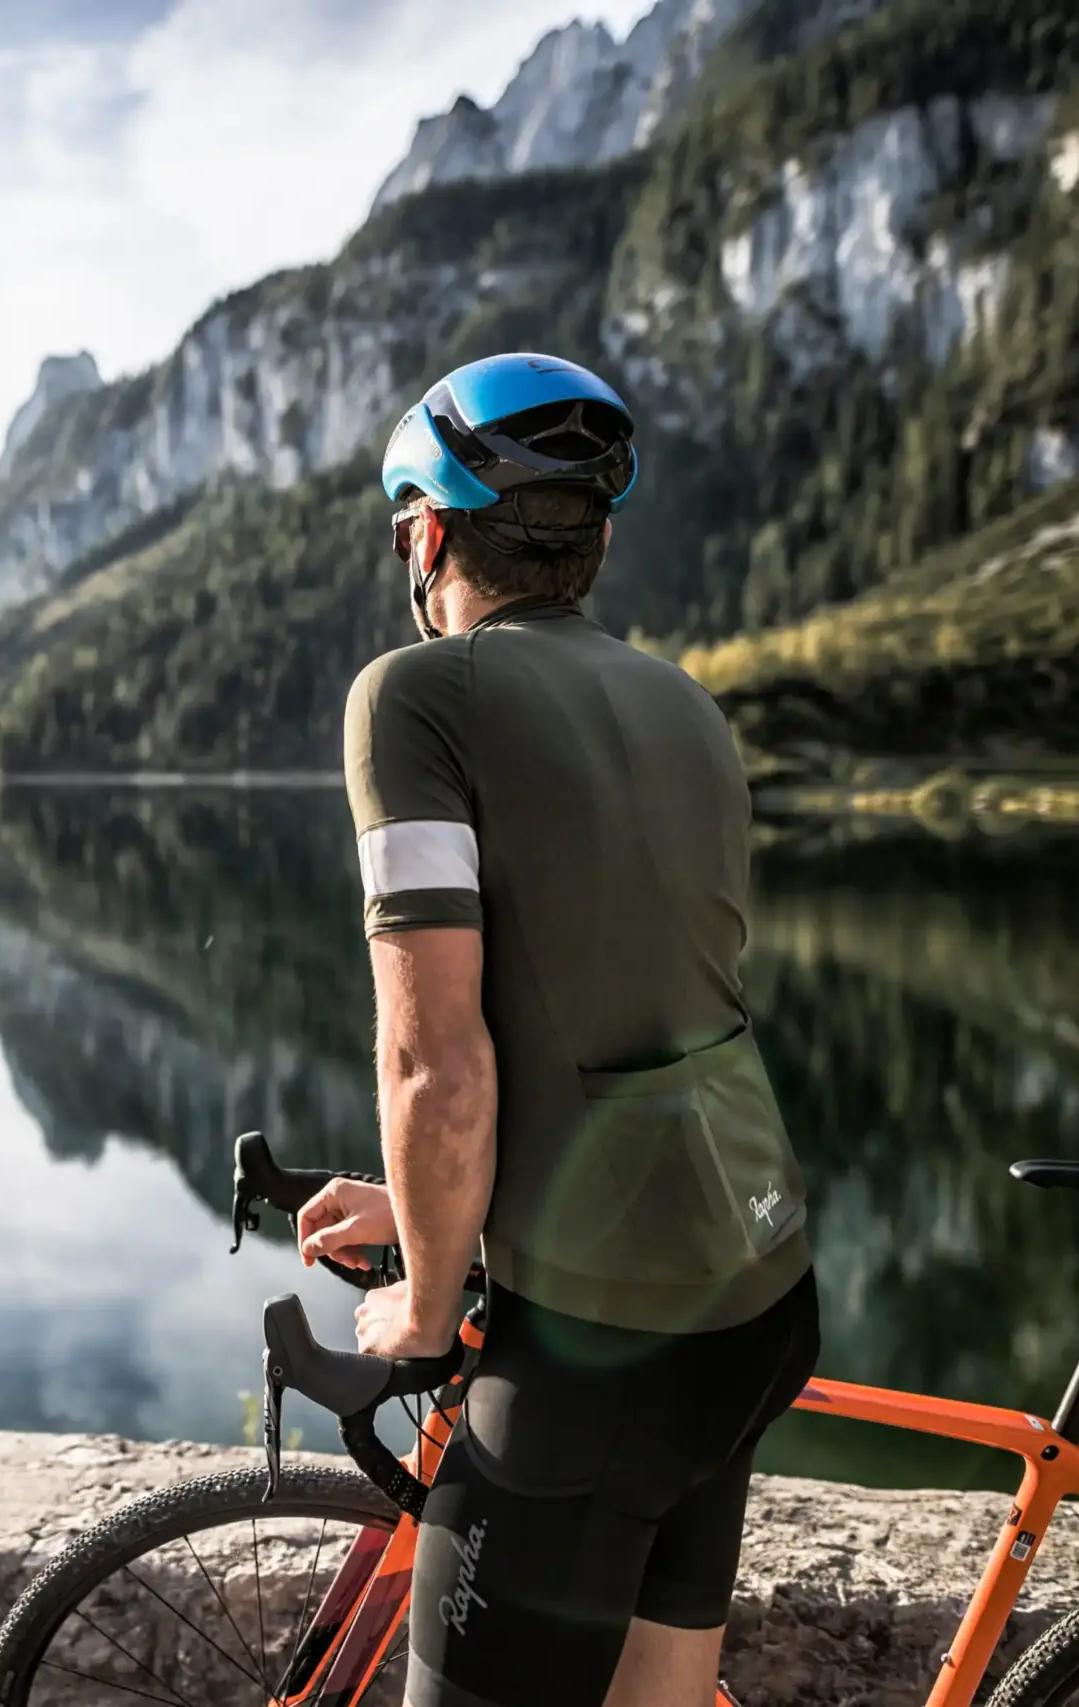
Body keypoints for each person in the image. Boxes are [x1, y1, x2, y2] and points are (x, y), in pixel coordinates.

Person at [294, 354, 818, 1707]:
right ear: (596, 532)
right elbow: (629, 1015)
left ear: (425, 529)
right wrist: (422, 1208)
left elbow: (439, 1060)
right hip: (755, 1295)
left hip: (602, 1343)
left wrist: (419, 1300)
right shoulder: (687, 707)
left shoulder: (412, 696)